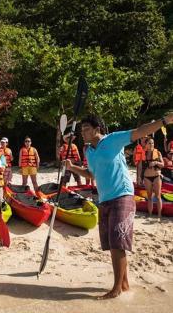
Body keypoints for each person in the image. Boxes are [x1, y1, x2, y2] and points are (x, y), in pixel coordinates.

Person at [64, 113, 173, 300]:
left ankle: (116, 289)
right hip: (104, 199)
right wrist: (72, 167)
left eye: (87, 129)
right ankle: (124, 284)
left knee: (117, 242)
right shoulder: (89, 151)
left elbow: (140, 131)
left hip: (122, 195)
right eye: (82, 130)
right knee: (114, 243)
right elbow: (91, 174)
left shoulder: (113, 140)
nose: (83, 133)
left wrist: (164, 121)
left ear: (97, 130)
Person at [140, 137, 164, 218]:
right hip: (147, 177)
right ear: (146, 145)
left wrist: (156, 162)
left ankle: (159, 215)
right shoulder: (143, 154)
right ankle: (150, 214)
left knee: (158, 196)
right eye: (149, 143)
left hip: (157, 176)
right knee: (149, 196)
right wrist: (139, 178)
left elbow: (163, 165)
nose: (151, 145)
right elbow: (140, 167)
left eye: (152, 143)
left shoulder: (158, 152)